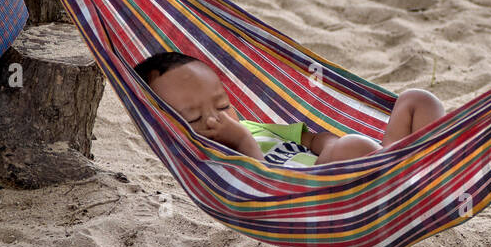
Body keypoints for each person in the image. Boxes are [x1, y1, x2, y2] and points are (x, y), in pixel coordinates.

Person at [133, 52, 442, 166]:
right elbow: (261, 195)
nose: (217, 119)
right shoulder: (208, 160)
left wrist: (330, 150)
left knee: (418, 100)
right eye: (195, 118)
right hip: (311, 198)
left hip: (346, 169)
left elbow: (312, 139)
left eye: (222, 105)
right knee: (355, 145)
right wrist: (241, 140)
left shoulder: (255, 127)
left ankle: (436, 171)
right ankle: (409, 176)